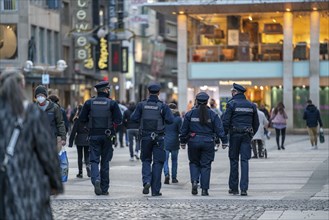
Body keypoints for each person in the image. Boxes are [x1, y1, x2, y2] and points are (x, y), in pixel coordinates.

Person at [0, 69, 63, 219]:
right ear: (22, 85)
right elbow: (47, 153)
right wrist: (55, 183)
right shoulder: (32, 113)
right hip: (30, 183)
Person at [180, 92, 228, 196]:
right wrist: (224, 141)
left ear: (196, 101)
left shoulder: (190, 114)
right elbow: (219, 129)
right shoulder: (213, 114)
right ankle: (204, 189)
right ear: (207, 102)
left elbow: (184, 130)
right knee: (206, 165)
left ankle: (194, 181)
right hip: (208, 142)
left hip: (193, 141)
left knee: (194, 162)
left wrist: (182, 141)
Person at [130, 82, 174, 196]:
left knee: (146, 160)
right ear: (159, 93)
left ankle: (146, 181)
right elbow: (171, 120)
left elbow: (133, 118)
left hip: (145, 137)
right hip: (159, 138)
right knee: (158, 162)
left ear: (148, 92)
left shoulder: (141, 105)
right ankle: (155, 190)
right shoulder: (162, 106)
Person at [79, 81, 122, 195]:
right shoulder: (112, 103)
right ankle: (104, 188)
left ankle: (96, 179)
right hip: (107, 136)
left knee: (94, 160)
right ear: (106, 90)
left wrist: (88, 125)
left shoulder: (89, 103)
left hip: (93, 135)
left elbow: (81, 119)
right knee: (105, 162)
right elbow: (119, 120)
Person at [222, 83, 259, 196]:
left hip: (234, 135)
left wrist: (224, 136)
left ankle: (234, 188)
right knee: (244, 161)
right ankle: (244, 189)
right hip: (246, 135)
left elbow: (226, 122)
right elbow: (256, 123)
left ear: (235, 92)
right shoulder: (251, 105)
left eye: (232, 92)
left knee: (234, 160)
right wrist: (251, 135)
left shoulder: (231, 104)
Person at [34, 85, 66, 152]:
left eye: (42, 95)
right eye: (38, 96)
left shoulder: (54, 107)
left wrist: (63, 138)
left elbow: (60, 123)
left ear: (45, 96)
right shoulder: (33, 108)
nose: (40, 97)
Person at [68, 104, 90, 178]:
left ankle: (80, 173)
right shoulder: (89, 119)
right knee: (87, 155)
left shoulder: (77, 120)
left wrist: (70, 142)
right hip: (87, 139)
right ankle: (88, 167)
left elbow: (73, 131)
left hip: (79, 139)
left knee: (79, 156)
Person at [163, 103, 182, 184]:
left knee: (165, 160)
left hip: (165, 141)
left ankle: (166, 174)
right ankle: (174, 178)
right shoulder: (178, 118)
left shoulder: (164, 117)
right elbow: (181, 131)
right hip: (175, 141)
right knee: (174, 160)